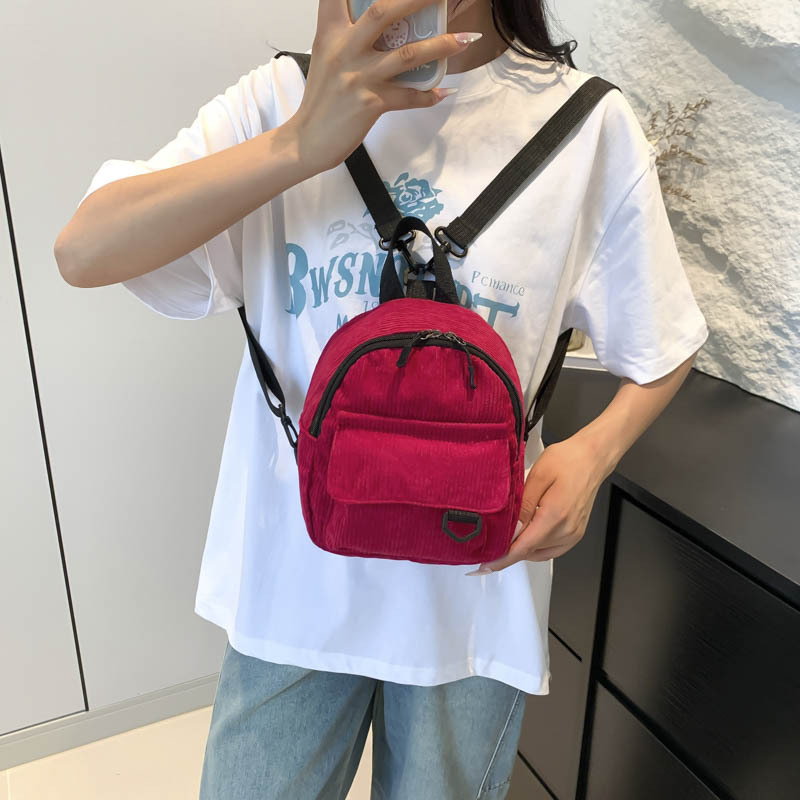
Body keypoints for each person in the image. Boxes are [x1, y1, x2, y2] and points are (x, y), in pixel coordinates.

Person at [54, 0, 709, 797]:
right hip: (294, 591)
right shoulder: (281, 99)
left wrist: (592, 456)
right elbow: (84, 251)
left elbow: (665, 339)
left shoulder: (588, 127)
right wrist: (300, 143)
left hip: (472, 595)